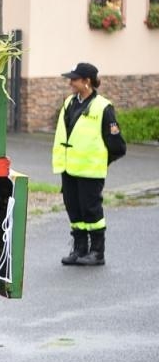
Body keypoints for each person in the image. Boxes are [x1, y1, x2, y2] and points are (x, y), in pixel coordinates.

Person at [52, 61, 125, 266]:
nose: (70, 83)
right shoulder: (69, 103)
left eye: (74, 79)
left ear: (87, 82)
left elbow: (118, 146)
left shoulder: (103, 107)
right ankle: (80, 249)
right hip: (68, 168)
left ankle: (97, 252)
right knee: (74, 210)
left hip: (90, 171)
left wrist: (101, 161)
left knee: (91, 211)